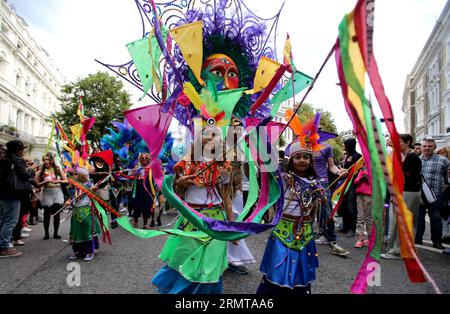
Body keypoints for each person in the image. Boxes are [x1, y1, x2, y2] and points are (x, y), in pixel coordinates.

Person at [151, 126, 236, 294]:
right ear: (198, 139)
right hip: (191, 218)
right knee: (184, 257)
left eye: (216, 135)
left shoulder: (225, 166)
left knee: (211, 264)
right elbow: (177, 197)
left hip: (216, 220)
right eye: (207, 134)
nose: (211, 138)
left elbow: (226, 197)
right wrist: (180, 184)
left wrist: (232, 226)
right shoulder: (185, 163)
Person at [256, 130, 326, 295]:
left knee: (301, 270)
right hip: (282, 231)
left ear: (311, 161)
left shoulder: (315, 184)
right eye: (297, 157)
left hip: (304, 234)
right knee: (277, 266)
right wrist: (261, 138)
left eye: (305, 157)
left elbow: (316, 209)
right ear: (291, 160)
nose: (302, 160)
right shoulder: (284, 179)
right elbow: (266, 166)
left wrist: (321, 198)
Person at [313, 142, 349, 256]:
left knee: (326, 211)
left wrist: (339, 171)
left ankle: (331, 239)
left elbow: (331, 165)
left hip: (323, 184)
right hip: (305, 182)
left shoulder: (326, 147)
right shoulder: (300, 145)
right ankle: (303, 238)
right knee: (305, 210)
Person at [0, 141, 32, 258]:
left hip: (3, 192)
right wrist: (30, 170)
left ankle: (3, 244)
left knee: (3, 220)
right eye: (22, 149)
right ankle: (4, 247)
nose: (23, 151)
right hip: (13, 193)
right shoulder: (17, 159)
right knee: (10, 221)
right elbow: (24, 175)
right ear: (18, 150)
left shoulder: (4, 159)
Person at [415, 139, 449, 250]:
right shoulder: (417, 160)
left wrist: (446, 185)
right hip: (420, 194)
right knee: (419, 218)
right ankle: (418, 239)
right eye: (424, 146)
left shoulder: (443, 160)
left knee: (436, 218)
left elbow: (446, 175)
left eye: (430, 146)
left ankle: (437, 241)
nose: (427, 148)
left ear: (434, 147)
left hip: (436, 194)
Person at [69, 168, 102, 261]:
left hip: (86, 210)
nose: (75, 176)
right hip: (76, 210)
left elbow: (94, 197)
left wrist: (94, 190)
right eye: (75, 174)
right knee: (76, 232)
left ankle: (89, 251)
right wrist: (67, 202)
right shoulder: (74, 186)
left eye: (77, 174)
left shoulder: (90, 185)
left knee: (87, 231)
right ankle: (78, 251)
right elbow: (71, 197)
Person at [35, 153, 68, 240]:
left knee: (57, 214)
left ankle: (56, 233)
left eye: (48, 159)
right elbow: (36, 184)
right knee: (47, 214)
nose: (46, 161)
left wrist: (58, 181)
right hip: (47, 193)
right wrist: (44, 183)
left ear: (52, 160)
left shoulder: (57, 169)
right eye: (44, 160)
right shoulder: (40, 171)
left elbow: (65, 180)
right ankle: (46, 234)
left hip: (57, 192)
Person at [338, 138, 362, 236]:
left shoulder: (358, 156)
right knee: (343, 205)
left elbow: (358, 170)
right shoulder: (347, 156)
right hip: (344, 183)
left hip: (352, 184)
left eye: (345, 144)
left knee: (351, 206)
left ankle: (352, 229)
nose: (343, 146)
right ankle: (345, 226)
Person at [129, 153, 155, 229]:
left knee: (147, 206)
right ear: (140, 159)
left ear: (148, 159)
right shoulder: (137, 168)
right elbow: (132, 176)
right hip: (139, 189)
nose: (144, 159)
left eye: (146, 158)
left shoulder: (151, 168)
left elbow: (156, 178)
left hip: (148, 190)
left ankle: (145, 223)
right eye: (142, 158)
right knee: (137, 205)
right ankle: (135, 220)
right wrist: (135, 172)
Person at [354, 163, 373, 248]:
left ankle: (370, 239)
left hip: (369, 195)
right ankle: (360, 239)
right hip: (359, 195)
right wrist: (361, 178)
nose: (364, 165)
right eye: (364, 164)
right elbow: (355, 181)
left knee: (368, 218)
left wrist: (368, 178)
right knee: (360, 217)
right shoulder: (361, 171)